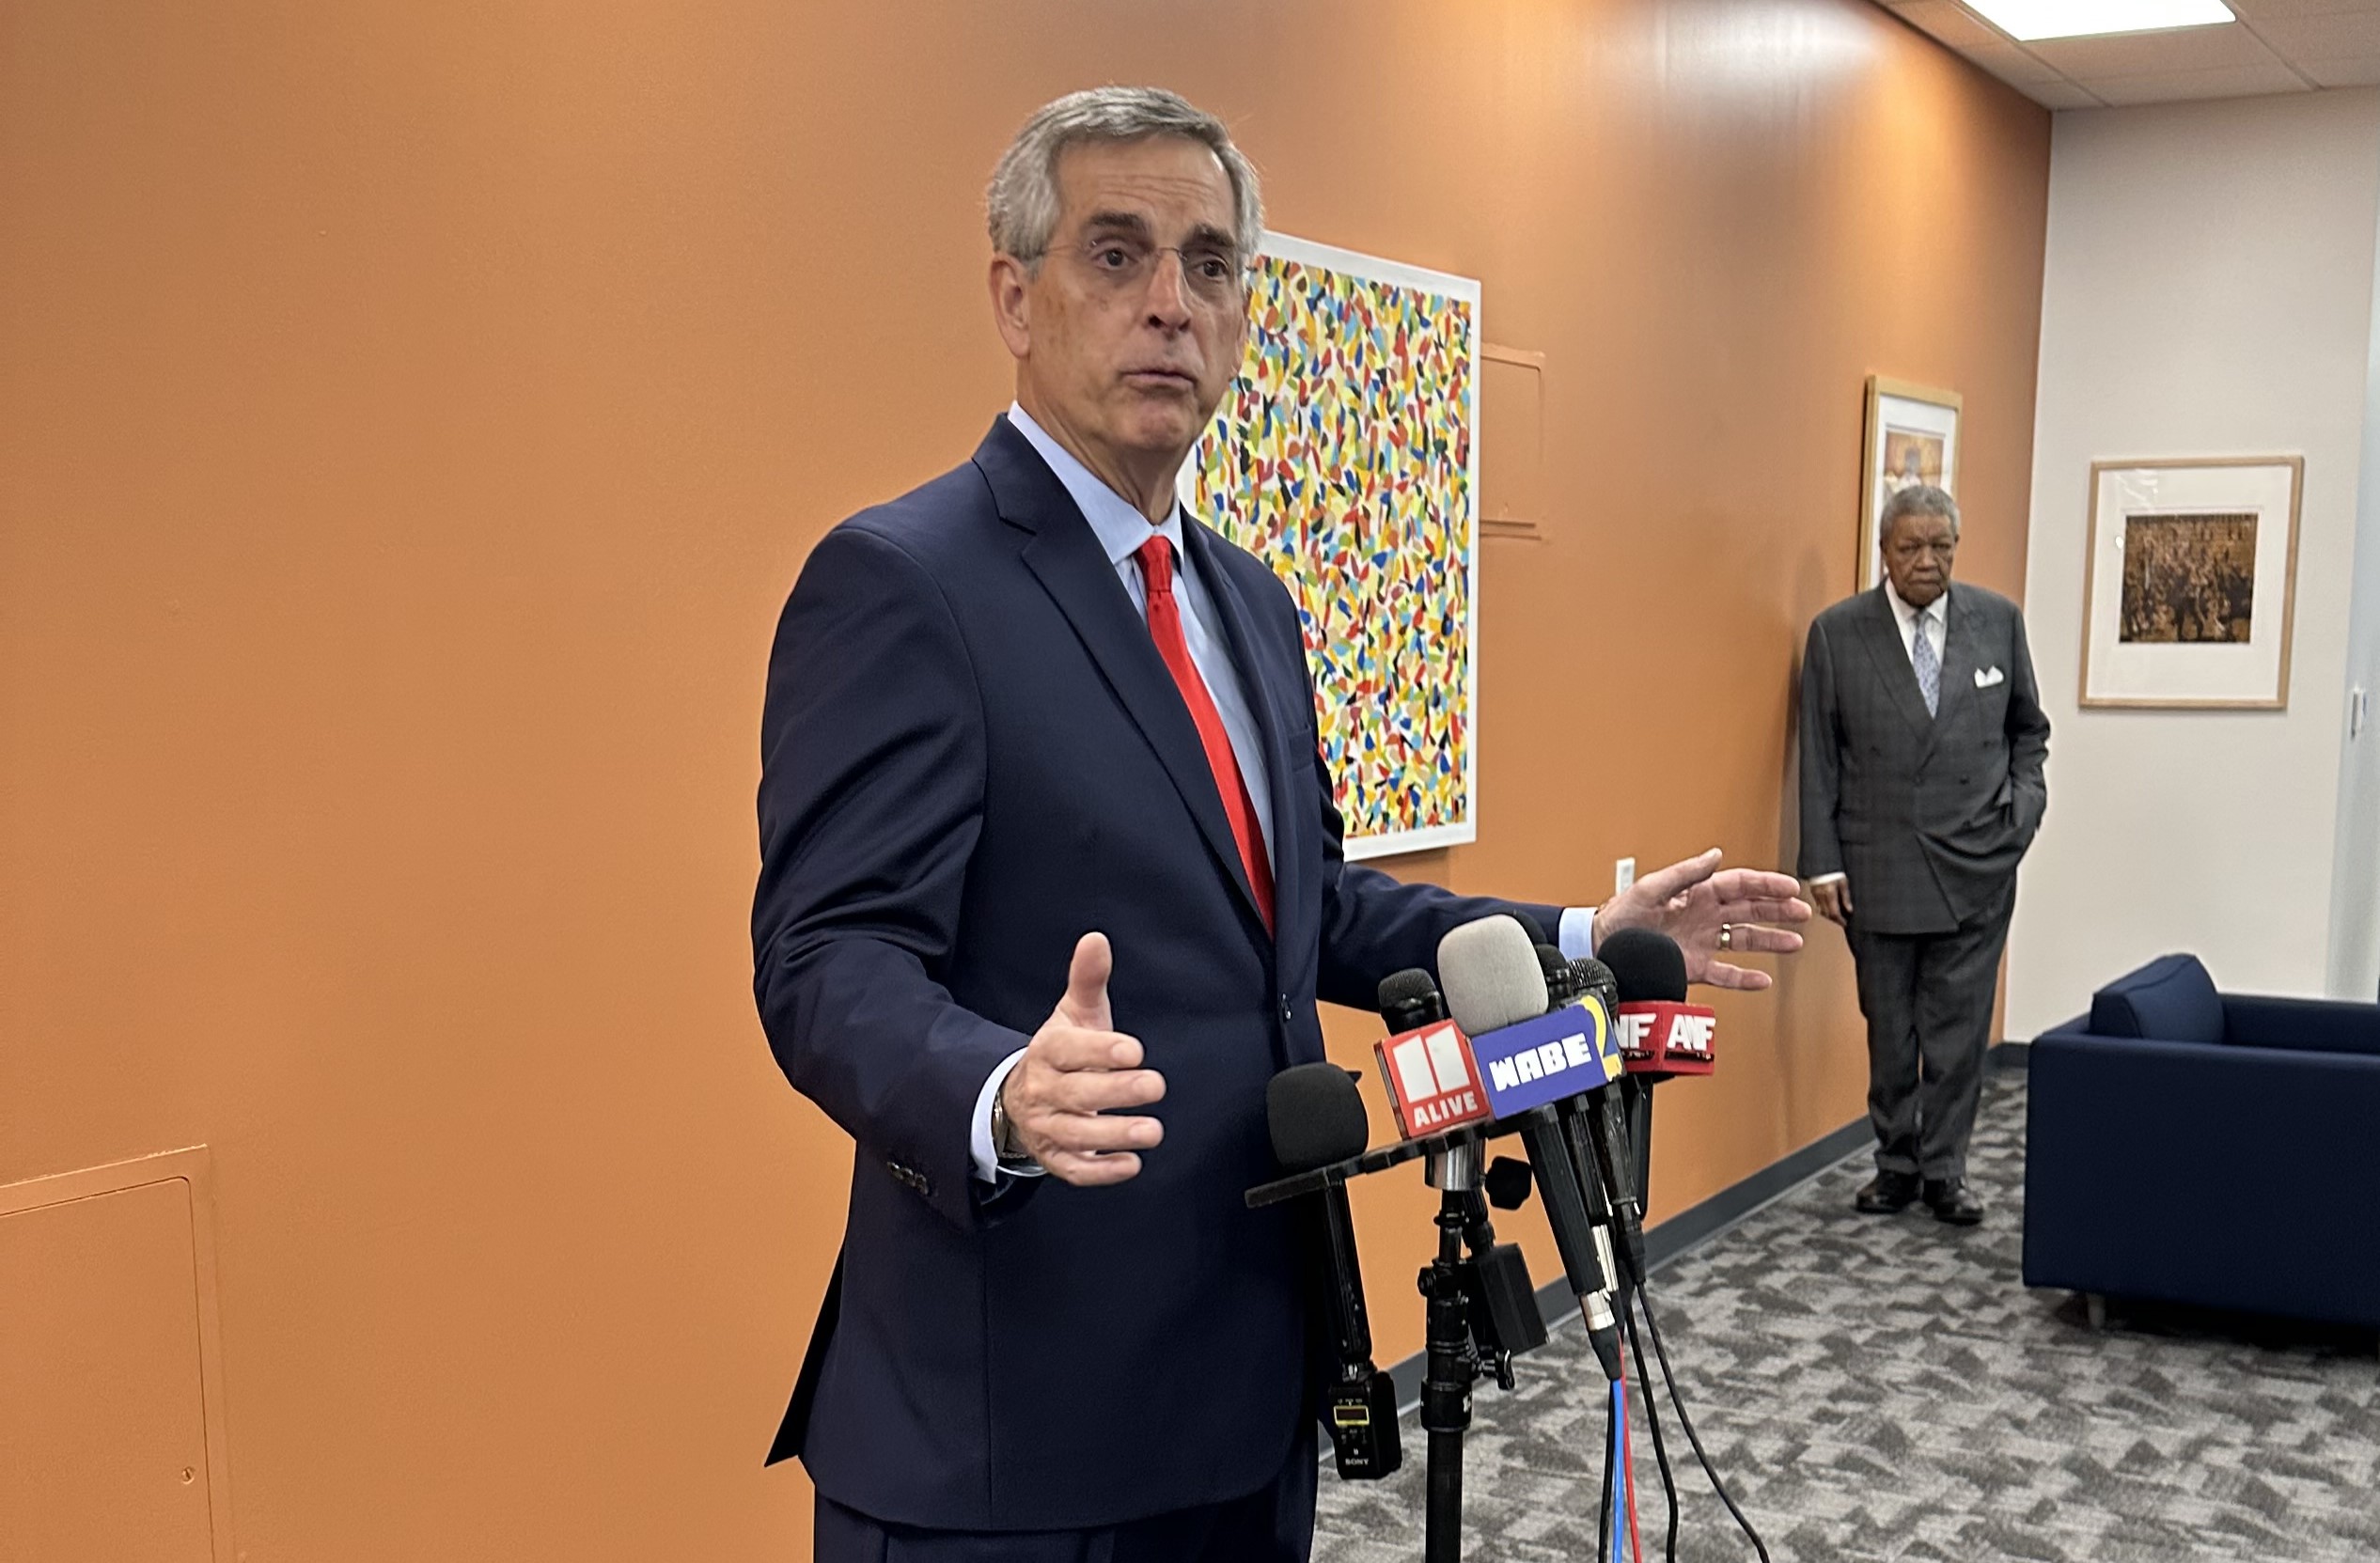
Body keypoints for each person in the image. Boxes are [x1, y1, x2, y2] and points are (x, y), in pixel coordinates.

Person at [753, 86, 1811, 1562]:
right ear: (1015, 294)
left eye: (1210, 263)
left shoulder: (1250, 603)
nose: (1171, 305)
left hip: (1251, 1378)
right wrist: (999, 1087)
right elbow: (827, 958)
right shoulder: (902, 582)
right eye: (1115, 256)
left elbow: (1310, 904)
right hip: (1010, 1431)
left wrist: (1582, 935)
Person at [1798, 484, 2049, 1227]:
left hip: (1979, 861)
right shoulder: (1837, 633)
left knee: (1960, 1027)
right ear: (1884, 551)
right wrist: (1821, 861)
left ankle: (1947, 1170)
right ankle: (1895, 1163)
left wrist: (2023, 812)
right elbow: (1818, 756)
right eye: (1910, 547)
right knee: (1891, 1025)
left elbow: (2029, 731)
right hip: (1877, 864)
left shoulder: (1998, 621)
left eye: (1941, 546)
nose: (1927, 561)